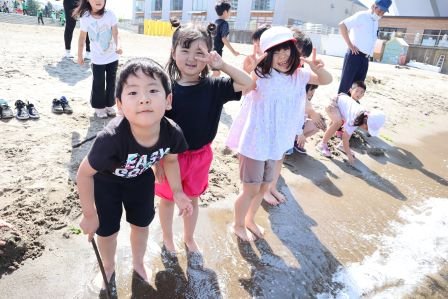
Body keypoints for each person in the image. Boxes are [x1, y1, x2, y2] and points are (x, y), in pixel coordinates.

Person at [77, 58, 193, 290]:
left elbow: (170, 159)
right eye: (133, 93)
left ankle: (138, 263)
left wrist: (177, 192)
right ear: (119, 105)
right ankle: (108, 266)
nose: (144, 98)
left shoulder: (172, 132)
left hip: (140, 180)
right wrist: (90, 214)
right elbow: (83, 174)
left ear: (168, 100)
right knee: (108, 231)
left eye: (152, 90)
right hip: (106, 183)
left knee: (141, 225)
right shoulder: (110, 139)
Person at [226, 26, 332, 241]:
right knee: (250, 189)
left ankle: (250, 220)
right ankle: (237, 224)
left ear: (294, 52)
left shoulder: (299, 75)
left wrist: (318, 68)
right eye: (276, 51)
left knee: (265, 186)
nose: (283, 56)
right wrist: (248, 70)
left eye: (287, 50)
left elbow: (326, 80)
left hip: (276, 144)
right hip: (255, 142)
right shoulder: (261, 75)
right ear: (267, 54)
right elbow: (241, 88)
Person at [156, 20, 252, 254]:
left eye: (199, 52)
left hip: (200, 156)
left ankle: (189, 238)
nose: (191, 58)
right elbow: (156, 127)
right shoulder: (165, 89)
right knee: (167, 200)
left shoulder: (215, 86)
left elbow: (248, 83)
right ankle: (167, 238)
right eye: (185, 50)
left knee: (193, 198)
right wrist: (157, 161)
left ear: (208, 55)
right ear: (173, 52)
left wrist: (223, 65)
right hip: (171, 159)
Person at [316, 83, 385, 165]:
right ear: (366, 120)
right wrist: (349, 155)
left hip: (343, 104)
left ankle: (342, 146)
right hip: (334, 103)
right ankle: (322, 144)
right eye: (367, 128)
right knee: (338, 122)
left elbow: (347, 135)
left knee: (344, 126)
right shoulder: (355, 118)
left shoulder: (362, 117)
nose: (366, 130)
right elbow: (345, 138)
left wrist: (346, 147)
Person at [74, 0, 121, 119]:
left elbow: (116, 32)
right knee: (98, 83)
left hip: (112, 57)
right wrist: (80, 55)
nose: (98, 1)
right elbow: (82, 38)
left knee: (111, 81)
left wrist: (118, 45)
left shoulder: (110, 14)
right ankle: (99, 107)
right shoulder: (86, 17)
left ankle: (110, 105)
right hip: (97, 58)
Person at [338, 0, 392, 94]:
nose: (380, 14)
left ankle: (351, 108)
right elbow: (342, 25)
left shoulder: (375, 22)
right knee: (346, 86)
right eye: (380, 11)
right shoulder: (362, 16)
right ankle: (338, 107)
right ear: (374, 6)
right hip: (354, 56)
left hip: (365, 59)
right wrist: (350, 45)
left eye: (383, 12)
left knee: (357, 89)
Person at [212, 0, 239, 77]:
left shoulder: (213, 23)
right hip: (216, 52)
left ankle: (209, 87)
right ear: (225, 12)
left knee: (216, 73)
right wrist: (233, 51)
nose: (231, 13)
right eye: (230, 11)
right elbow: (224, 39)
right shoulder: (224, 24)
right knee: (216, 73)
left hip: (209, 50)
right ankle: (206, 87)